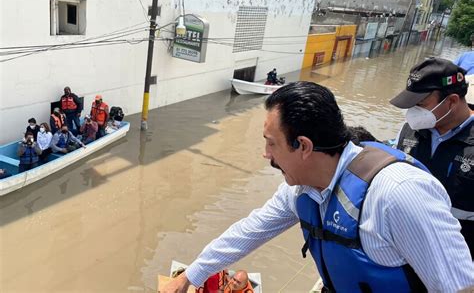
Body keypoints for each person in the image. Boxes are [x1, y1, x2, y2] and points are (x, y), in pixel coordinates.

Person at [163, 82, 474, 293]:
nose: (266, 155)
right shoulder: (302, 189)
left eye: (272, 145)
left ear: (304, 146)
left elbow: (459, 286)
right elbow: (250, 230)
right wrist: (191, 276)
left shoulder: (398, 194)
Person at [390, 57, 474, 255]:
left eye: (421, 104)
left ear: (452, 101)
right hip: (408, 250)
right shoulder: (410, 131)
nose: (413, 112)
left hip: (459, 258)